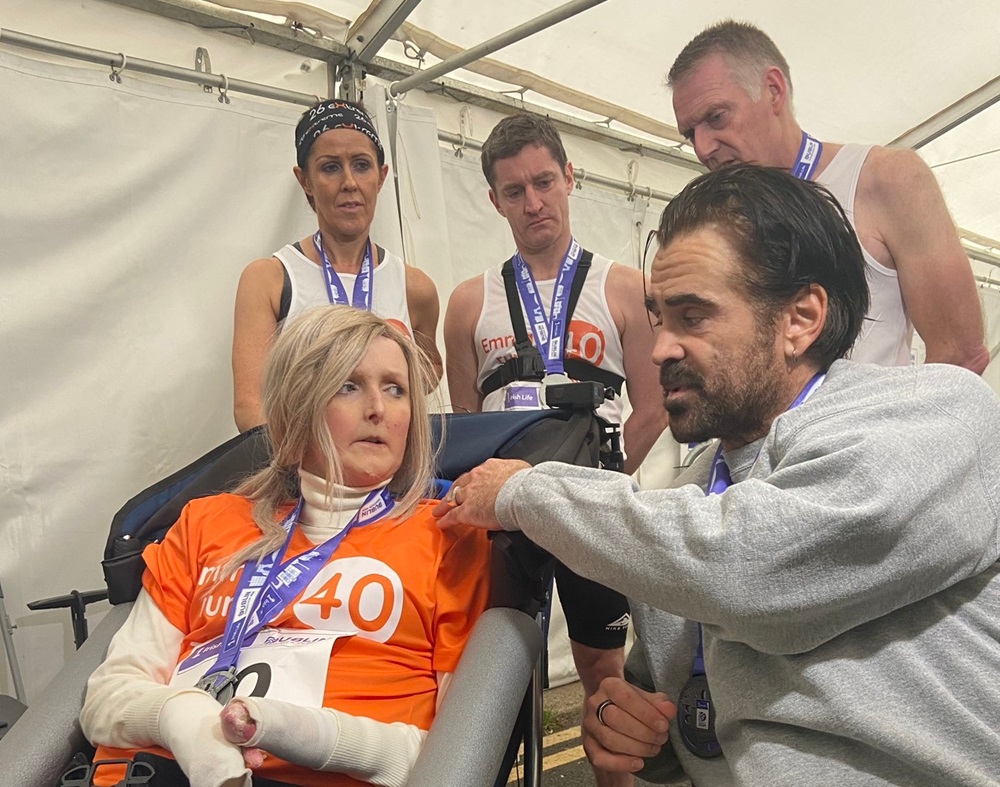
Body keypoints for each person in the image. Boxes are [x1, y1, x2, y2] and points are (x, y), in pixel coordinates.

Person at [434, 165, 1000, 786]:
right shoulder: (685, 503)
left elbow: (749, 565)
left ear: (800, 319)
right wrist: (634, 731)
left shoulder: (938, 414)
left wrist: (524, 491)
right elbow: (693, 728)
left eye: (693, 316)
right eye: (658, 318)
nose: (658, 350)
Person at [81, 306, 490, 787]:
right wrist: (185, 721)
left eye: (395, 388)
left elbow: (455, 752)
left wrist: (294, 730)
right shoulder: (206, 522)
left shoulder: (448, 534)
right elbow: (107, 697)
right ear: (297, 407)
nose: (379, 408)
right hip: (157, 769)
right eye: (349, 385)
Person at [443, 112, 668, 787]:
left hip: (588, 509)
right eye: (514, 191)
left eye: (544, 181)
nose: (533, 202)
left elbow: (654, 406)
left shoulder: (622, 286)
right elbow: (463, 422)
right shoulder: (466, 303)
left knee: (602, 669)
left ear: (571, 178)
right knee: (494, 670)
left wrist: (599, 478)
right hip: (500, 518)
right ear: (494, 200)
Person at [667, 19, 988, 373]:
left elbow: (962, 356)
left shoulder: (884, 179)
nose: (702, 148)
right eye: (689, 134)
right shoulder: (718, 221)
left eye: (715, 117)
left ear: (773, 90)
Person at [232, 99, 442, 433]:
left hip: (391, 479)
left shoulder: (415, 288)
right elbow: (251, 408)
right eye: (330, 167)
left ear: (381, 176)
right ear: (305, 181)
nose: (349, 182)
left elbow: (427, 379)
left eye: (361, 165)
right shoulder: (269, 280)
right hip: (303, 478)